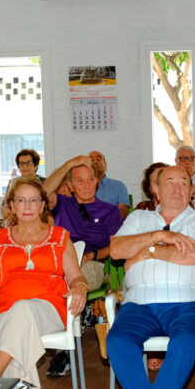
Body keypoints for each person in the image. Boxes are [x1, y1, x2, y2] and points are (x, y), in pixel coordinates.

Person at [107, 166, 195, 389]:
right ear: (155, 189)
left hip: (188, 301)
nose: (178, 188)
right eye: (170, 182)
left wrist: (150, 251)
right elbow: (117, 250)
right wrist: (159, 235)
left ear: (192, 189)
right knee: (117, 341)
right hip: (139, 303)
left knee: (185, 341)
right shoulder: (138, 218)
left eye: (184, 182)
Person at [0, 176, 88, 389]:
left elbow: (76, 276)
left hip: (49, 311)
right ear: (12, 206)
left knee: (23, 308)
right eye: (21, 200)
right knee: (19, 317)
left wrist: (80, 287)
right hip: (3, 311)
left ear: (43, 205)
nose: (27, 206)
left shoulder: (59, 237)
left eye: (33, 200)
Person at [43, 155, 123, 377]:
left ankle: (63, 348)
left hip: (92, 264)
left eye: (91, 179)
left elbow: (116, 247)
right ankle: (54, 332)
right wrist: (67, 164)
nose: (87, 185)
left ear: (97, 182)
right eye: (80, 180)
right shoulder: (62, 204)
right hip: (60, 262)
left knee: (67, 282)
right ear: (69, 185)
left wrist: (93, 254)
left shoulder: (109, 210)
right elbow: (41, 193)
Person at [88, 151, 130, 218]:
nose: (95, 162)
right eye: (91, 160)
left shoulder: (118, 186)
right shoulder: (80, 187)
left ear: (105, 165)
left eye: (98, 159)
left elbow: (123, 211)